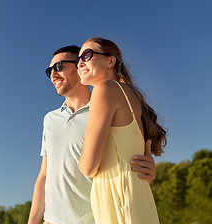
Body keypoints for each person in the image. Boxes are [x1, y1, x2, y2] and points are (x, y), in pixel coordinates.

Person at [27, 45, 157, 224]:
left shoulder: (108, 108)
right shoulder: (49, 119)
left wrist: (148, 170)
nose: (53, 74)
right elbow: (44, 175)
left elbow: (130, 156)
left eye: (58, 67)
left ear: (80, 65)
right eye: (50, 70)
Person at [77, 37, 166, 224]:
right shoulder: (129, 93)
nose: (80, 62)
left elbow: (87, 166)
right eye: (78, 59)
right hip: (133, 196)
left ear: (111, 61)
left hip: (119, 198)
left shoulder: (105, 89)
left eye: (86, 54)